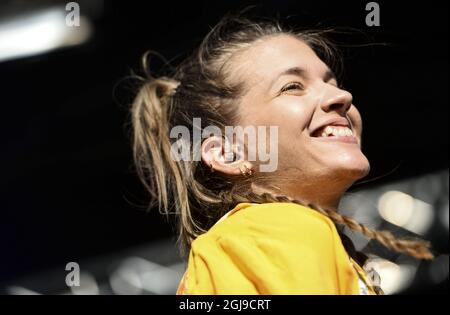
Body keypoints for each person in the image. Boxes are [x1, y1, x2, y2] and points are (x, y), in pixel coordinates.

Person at [130, 15, 433, 295]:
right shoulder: (274, 226)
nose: (342, 97)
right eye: (292, 87)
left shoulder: (252, 242)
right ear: (227, 152)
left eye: (332, 83)